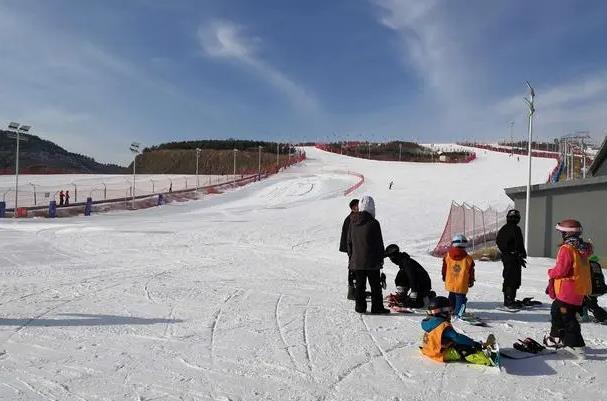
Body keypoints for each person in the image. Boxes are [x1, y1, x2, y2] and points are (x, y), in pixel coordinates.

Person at [545, 219, 593, 356]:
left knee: (567, 316)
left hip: (567, 290)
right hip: (578, 290)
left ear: (566, 234)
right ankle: (557, 336)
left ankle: (576, 345)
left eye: (562, 233)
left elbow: (561, 270)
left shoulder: (567, 249)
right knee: (556, 310)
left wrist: (551, 272)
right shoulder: (582, 248)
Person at [420, 296, 493, 365]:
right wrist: (473, 343)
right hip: (439, 353)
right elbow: (456, 337)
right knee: (463, 349)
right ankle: (487, 360)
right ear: (441, 311)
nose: (450, 313)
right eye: (448, 310)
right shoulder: (442, 325)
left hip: (428, 350)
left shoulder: (429, 321)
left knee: (457, 343)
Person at [347, 195, 389, 314]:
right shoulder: (374, 223)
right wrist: (381, 259)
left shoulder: (352, 222)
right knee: (375, 286)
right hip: (372, 262)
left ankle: (360, 307)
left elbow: (349, 242)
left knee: (360, 285)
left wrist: (352, 257)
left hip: (357, 261)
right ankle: (377, 307)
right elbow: (379, 244)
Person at [496, 209, 527, 309]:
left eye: (515, 218)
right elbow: (517, 243)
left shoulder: (505, 228)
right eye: (513, 218)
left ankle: (510, 299)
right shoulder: (514, 229)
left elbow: (500, 242)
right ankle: (509, 300)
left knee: (512, 278)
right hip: (511, 258)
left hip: (510, 257)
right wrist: (514, 252)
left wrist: (519, 253)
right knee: (511, 278)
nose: (514, 219)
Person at [442, 234, 475, 318]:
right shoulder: (468, 259)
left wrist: (444, 277)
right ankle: (459, 313)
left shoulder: (447, 256)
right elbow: (471, 272)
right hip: (461, 283)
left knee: (451, 296)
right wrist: (471, 281)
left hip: (450, 282)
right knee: (461, 299)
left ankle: (450, 310)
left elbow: (444, 269)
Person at [339, 199, 359, 300]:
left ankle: (356, 290)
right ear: (353, 208)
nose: (359, 207)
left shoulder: (355, 217)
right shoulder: (350, 218)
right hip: (352, 248)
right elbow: (347, 236)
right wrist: (349, 249)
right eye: (357, 206)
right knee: (353, 269)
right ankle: (351, 292)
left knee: (356, 269)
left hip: (355, 248)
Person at [582, 256, 607, 322]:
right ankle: (584, 316)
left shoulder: (587, 266)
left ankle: (604, 318)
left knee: (592, 306)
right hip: (598, 288)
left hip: (590, 290)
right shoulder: (596, 266)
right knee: (585, 302)